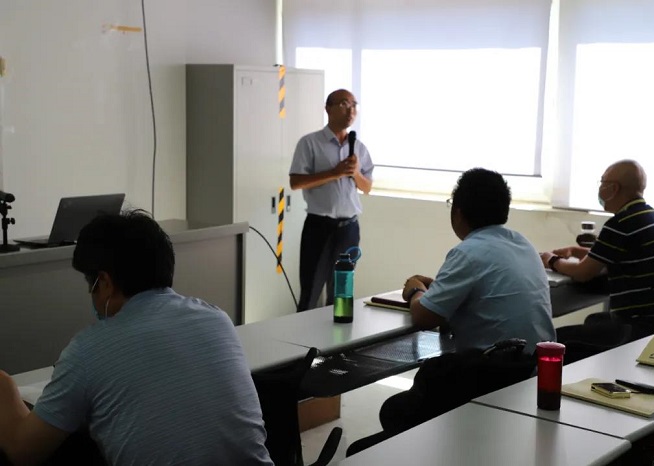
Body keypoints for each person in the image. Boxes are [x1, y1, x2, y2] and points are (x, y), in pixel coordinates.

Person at [0, 211, 273, 465]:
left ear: (104, 282)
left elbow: (23, 450)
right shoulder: (217, 318)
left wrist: (5, 385)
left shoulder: (88, 350)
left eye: (90, 284)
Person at [347, 168, 556, 455]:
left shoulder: (468, 251)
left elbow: (424, 316)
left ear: (458, 211)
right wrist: (441, 290)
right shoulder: (523, 245)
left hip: (485, 377)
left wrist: (414, 290)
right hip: (528, 373)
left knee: (392, 411)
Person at [540, 159, 654, 340]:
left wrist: (551, 260)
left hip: (643, 324)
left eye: (602, 182)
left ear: (613, 188)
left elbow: (582, 273)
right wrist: (576, 251)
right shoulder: (652, 216)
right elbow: (620, 258)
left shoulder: (620, 224)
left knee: (557, 340)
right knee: (594, 320)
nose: (600, 188)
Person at [289, 89, 374, 311]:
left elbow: (367, 187)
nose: (351, 110)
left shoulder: (359, 147)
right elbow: (296, 182)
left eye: (354, 105)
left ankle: (339, 334)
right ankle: (304, 334)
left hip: (349, 228)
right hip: (319, 227)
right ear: (328, 108)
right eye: (344, 104)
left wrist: (355, 173)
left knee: (342, 293)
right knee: (311, 291)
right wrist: (335, 173)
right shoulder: (310, 143)